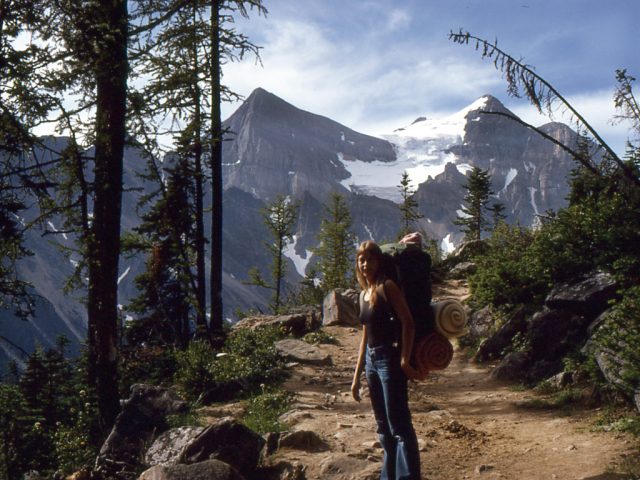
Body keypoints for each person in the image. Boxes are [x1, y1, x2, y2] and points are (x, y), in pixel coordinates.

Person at [351, 240, 421, 480]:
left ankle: (408, 476)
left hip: (389, 360)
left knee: (399, 427)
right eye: (361, 259)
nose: (365, 264)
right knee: (384, 431)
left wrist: (404, 361)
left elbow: (408, 322)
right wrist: (356, 375)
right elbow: (365, 336)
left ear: (379, 262)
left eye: (370, 259)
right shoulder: (363, 294)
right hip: (372, 363)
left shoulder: (387, 287)